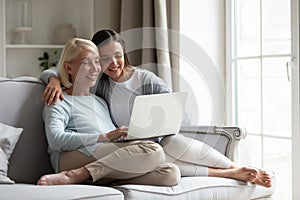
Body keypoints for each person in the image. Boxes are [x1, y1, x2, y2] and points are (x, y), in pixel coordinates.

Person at [39, 30, 272, 188]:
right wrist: (54, 79)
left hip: (133, 146)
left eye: (116, 56)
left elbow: (177, 109)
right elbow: (56, 137)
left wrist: (154, 126)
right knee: (156, 151)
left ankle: (232, 169)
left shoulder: (128, 86)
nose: (109, 64)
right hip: (90, 153)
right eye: (103, 59)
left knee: (170, 173)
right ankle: (76, 175)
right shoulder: (85, 90)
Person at [37, 37, 181, 186]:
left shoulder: (99, 100)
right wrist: (105, 136)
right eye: (86, 62)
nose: (95, 68)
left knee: (170, 173)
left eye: (97, 61)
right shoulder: (59, 98)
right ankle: (75, 175)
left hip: (103, 155)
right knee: (153, 150)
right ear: (68, 68)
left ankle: (96, 177)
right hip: (71, 157)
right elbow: (55, 140)